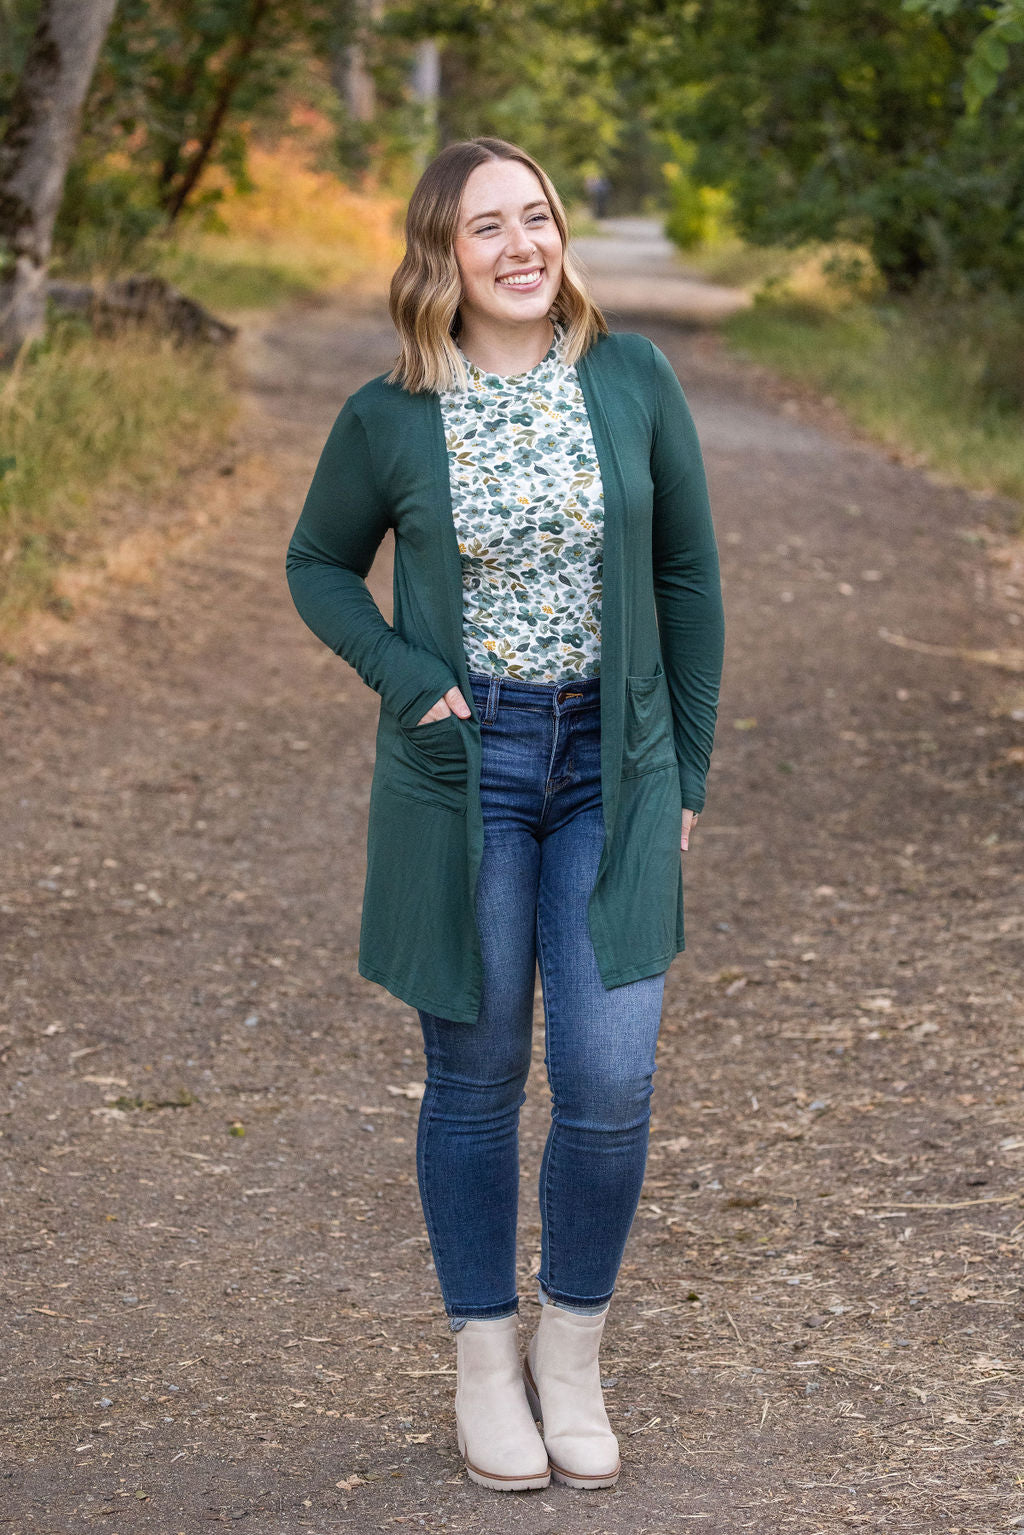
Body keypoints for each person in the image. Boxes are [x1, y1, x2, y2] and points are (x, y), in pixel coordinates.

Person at [285, 136, 725, 1494]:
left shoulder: (633, 377)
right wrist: (411, 680)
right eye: (490, 228)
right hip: (470, 772)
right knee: (476, 1080)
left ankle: (571, 1354)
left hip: (614, 761)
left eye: (537, 216)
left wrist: (688, 777)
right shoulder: (392, 412)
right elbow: (319, 564)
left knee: (607, 1082)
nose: (524, 244)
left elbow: (690, 584)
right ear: (442, 256)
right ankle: (485, 1355)